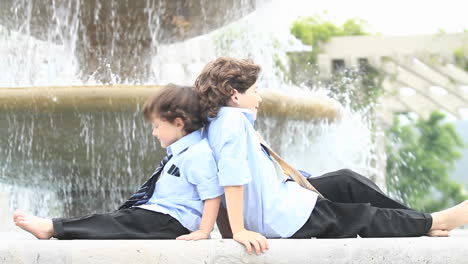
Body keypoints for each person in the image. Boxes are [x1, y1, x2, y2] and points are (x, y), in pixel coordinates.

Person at [193, 56, 468, 254]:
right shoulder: (232, 124)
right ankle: (435, 222)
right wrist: (238, 232)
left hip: (281, 198)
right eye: (255, 91)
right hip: (280, 216)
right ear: (234, 94)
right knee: (359, 217)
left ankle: (419, 222)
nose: (260, 98)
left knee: (345, 181)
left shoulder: (221, 121)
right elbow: (230, 177)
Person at [13, 84, 223, 240]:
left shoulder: (197, 154)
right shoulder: (181, 152)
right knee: (114, 221)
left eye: (158, 125)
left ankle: (51, 227)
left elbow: (212, 194)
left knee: (114, 223)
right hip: (160, 217)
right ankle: (55, 227)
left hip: (172, 222)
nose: (154, 132)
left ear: (179, 123)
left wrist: (204, 231)